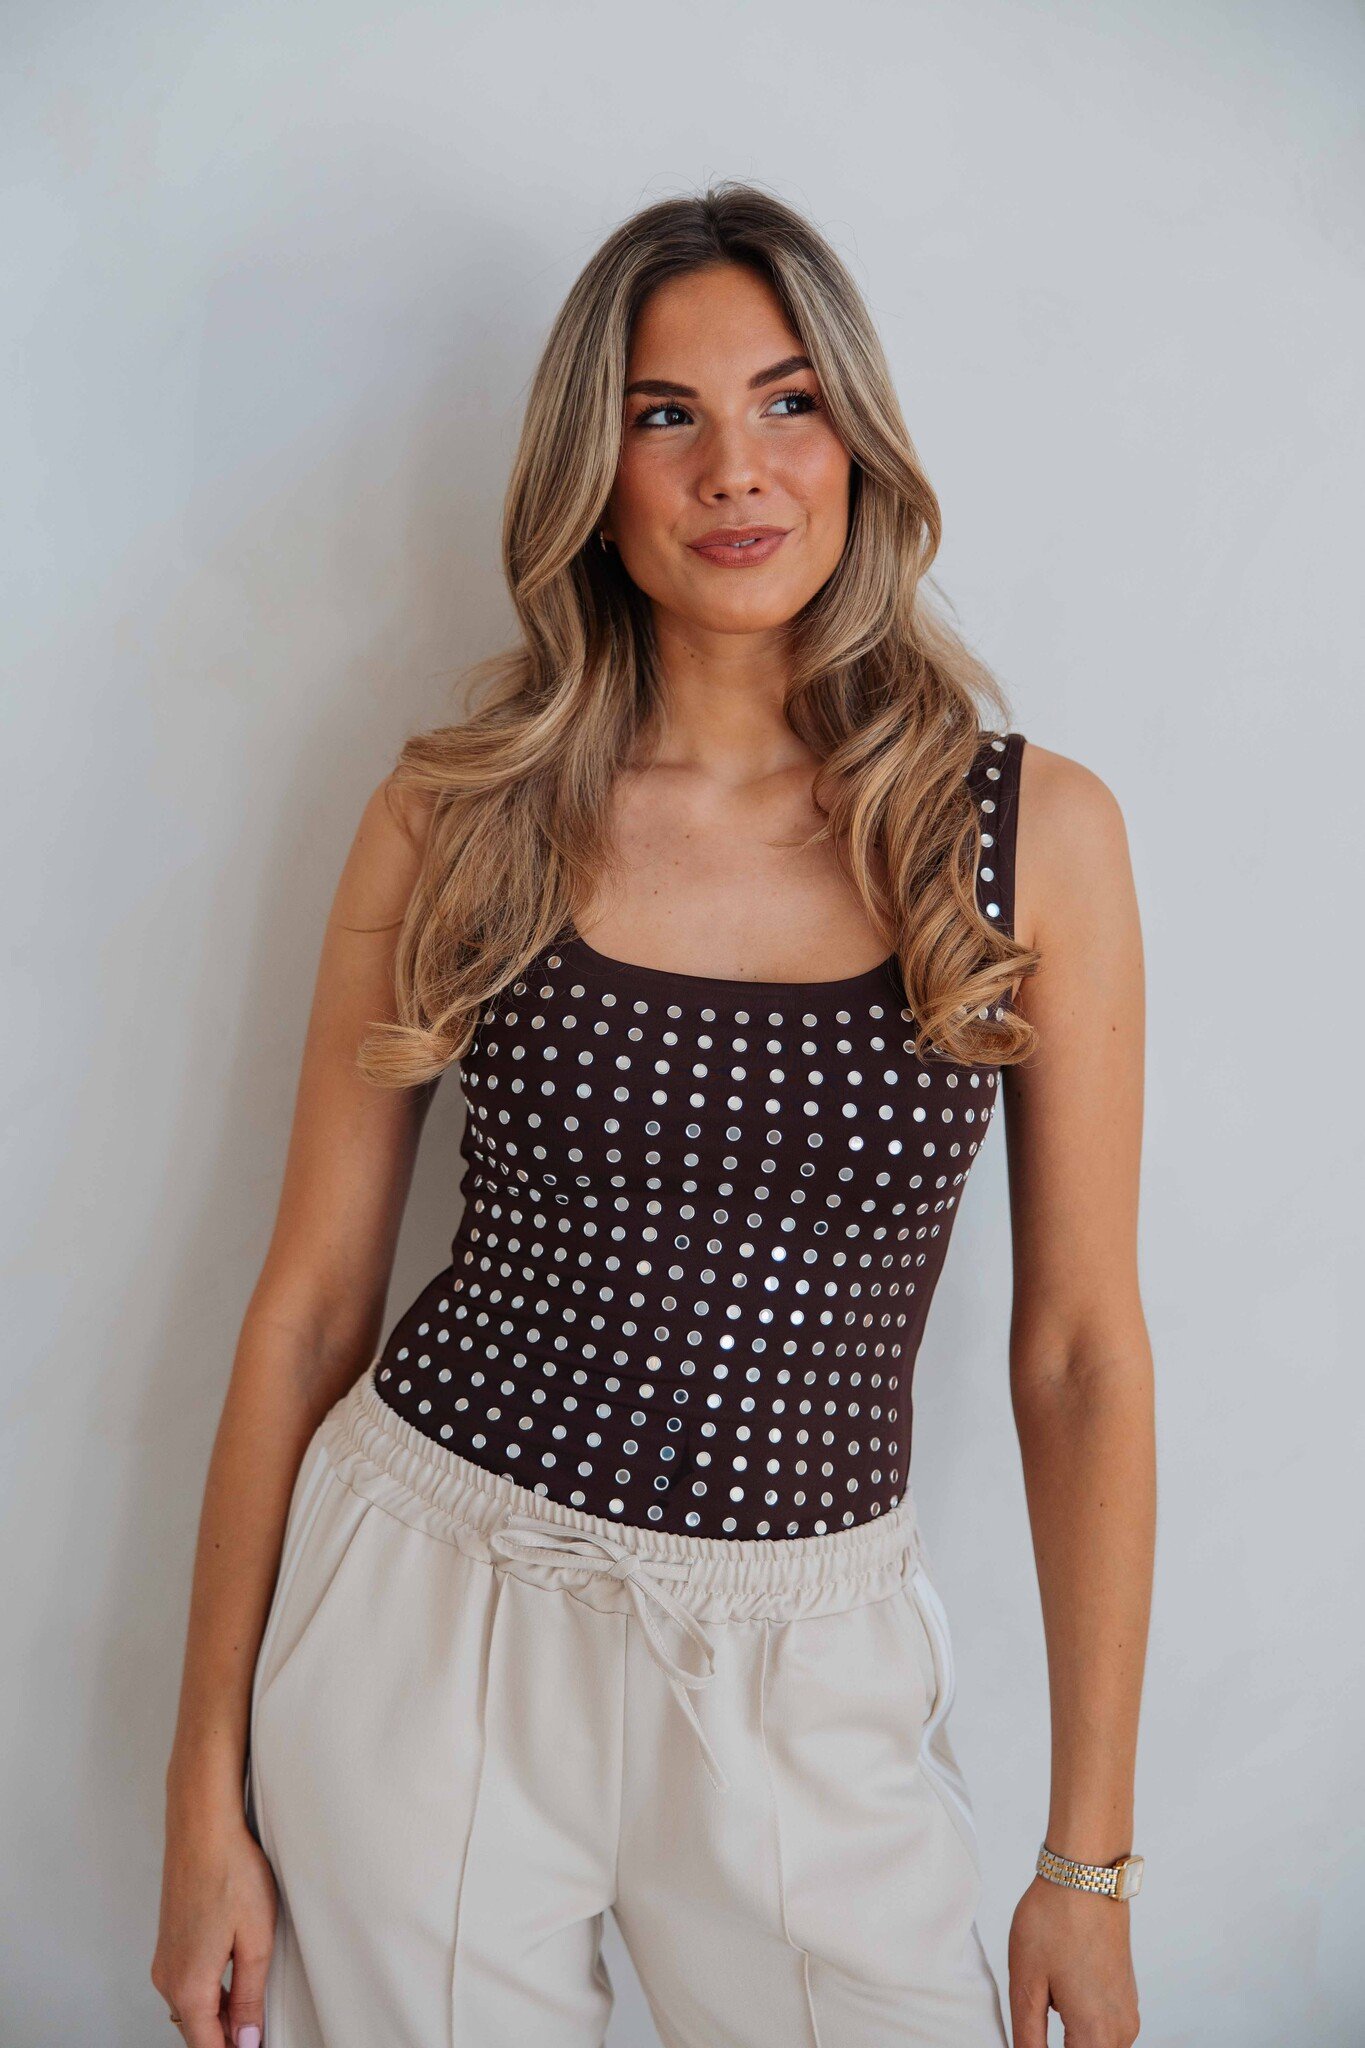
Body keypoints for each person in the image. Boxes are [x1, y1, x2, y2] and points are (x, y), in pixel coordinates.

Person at [154, 181, 1154, 2048]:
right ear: (590, 479)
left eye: (787, 402)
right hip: (429, 1619)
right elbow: (308, 1307)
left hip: (808, 1668)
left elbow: (1080, 1351)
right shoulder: (458, 813)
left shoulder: (1029, 837)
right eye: (663, 415)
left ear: (855, 443)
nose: (734, 470)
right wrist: (198, 1794)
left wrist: (1083, 1864)